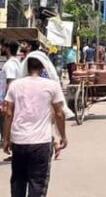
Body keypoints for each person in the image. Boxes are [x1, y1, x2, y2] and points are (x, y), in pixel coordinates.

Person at [3, 56, 67, 197]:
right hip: (41, 143)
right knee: (37, 183)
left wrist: (6, 139)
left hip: (19, 141)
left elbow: (8, 114)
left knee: (18, 182)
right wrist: (63, 136)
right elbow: (59, 114)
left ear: (26, 67)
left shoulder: (15, 85)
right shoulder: (51, 86)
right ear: (43, 67)